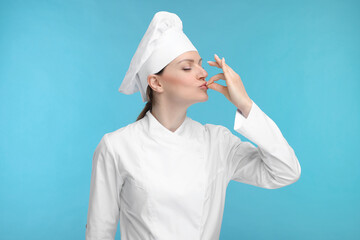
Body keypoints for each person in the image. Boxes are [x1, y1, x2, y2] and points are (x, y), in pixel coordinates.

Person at [85, 11, 301, 240]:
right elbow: (100, 231)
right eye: (188, 67)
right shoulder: (116, 146)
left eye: (200, 64)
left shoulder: (217, 142)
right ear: (156, 82)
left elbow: (286, 172)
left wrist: (246, 105)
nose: (204, 73)